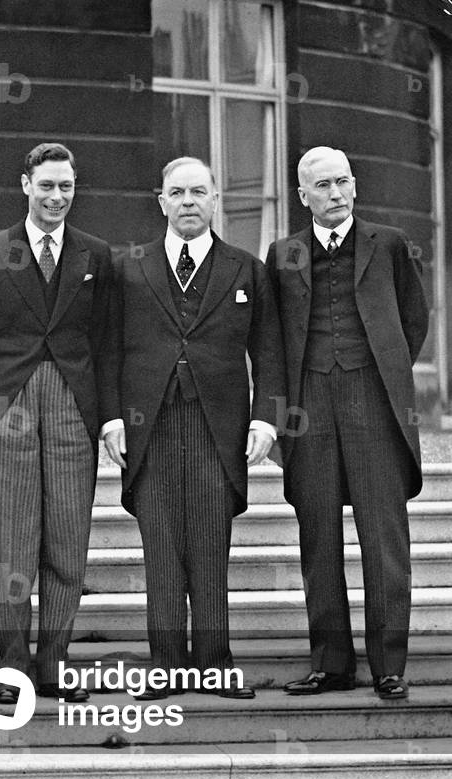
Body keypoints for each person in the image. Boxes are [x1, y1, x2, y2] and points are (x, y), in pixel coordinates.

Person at [104, 156, 285, 700]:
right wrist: (112, 418)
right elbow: (107, 348)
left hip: (218, 427)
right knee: (159, 548)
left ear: (214, 201)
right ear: (161, 201)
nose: (188, 201)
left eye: (198, 192)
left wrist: (266, 419)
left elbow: (270, 350)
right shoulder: (128, 266)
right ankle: (164, 668)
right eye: (177, 192)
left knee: (210, 545)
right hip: (149, 426)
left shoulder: (246, 268)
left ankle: (214, 664)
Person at [267, 146, 429, 701]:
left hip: (373, 401)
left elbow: (413, 320)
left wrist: (384, 374)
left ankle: (389, 665)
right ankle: (331, 663)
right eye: (323, 186)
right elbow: (274, 336)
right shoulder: (282, 254)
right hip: (308, 404)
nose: (335, 194)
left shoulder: (389, 245)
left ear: (354, 186)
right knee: (318, 537)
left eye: (342, 183)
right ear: (302, 195)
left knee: (384, 538)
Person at [0, 142, 114, 704]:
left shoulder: (96, 254)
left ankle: (54, 664)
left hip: (74, 402)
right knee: (12, 542)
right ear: (24, 184)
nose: (56, 197)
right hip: (12, 402)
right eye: (46, 185)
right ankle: (14, 667)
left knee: (68, 542)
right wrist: (10, 380)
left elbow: (102, 336)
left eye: (66, 187)